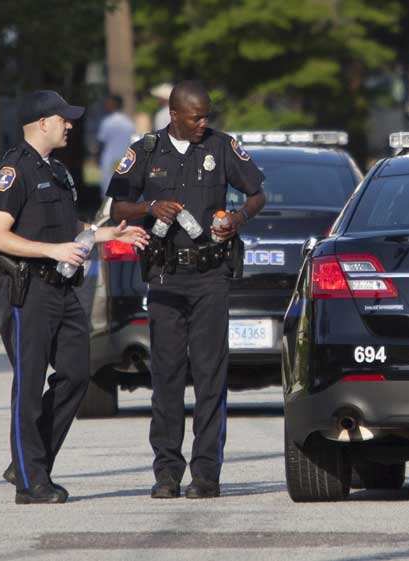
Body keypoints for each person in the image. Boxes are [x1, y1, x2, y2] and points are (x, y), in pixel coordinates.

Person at [0, 90, 149, 504]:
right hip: (26, 290)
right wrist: (52, 251)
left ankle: (28, 458)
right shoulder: (14, 170)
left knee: (77, 373)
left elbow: (64, 225)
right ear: (43, 123)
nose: (71, 125)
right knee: (28, 384)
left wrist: (105, 233)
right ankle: (31, 482)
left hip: (62, 288)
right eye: (64, 119)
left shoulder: (58, 171)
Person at [108, 81, 266, 499]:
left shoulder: (221, 147)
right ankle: (166, 473)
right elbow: (116, 207)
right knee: (167, 375)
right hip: (165, 277)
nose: (203, 123)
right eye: (196, 117)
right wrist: (149, 207)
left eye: (207, 116)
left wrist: (238, 218)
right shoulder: (146, 151)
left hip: (211, 276)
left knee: (211, 375)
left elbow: (257, 193)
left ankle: (207, 474)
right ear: (174, 115)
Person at [95, 94, 136, 197]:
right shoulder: (129, 122)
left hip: (109, 160)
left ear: (113, 104)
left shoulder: (107, 122)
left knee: (108, 188)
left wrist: (97, 157)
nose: (106, 105)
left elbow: (101, 142)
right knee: (123, 189)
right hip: (125, 160)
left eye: (108, 103)